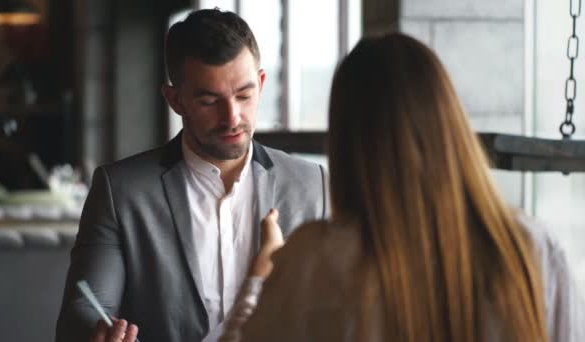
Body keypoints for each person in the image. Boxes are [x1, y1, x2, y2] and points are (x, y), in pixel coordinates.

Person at [220, 33, 585, 341]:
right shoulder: (531, 250)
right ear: (450, 125)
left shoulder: (313, 260)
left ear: (346, 141)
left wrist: (260, 275)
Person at [55, 8, 328, 342]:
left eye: (244, 95)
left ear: (261, 83)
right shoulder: (120, 191)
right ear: (174, 99)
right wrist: (98, 334)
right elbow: (81, 313)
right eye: (209, 101)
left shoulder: (313, 185)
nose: (232, 117)